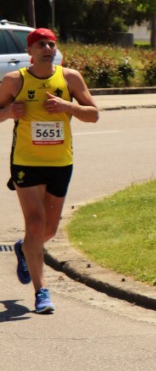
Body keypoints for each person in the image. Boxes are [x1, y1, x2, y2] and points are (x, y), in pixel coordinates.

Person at [0, 28, 99, 315]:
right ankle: (41, 291)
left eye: (52, 44)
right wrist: (8, 114)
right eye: (41, 44)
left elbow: (94, 114)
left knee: (48, 230)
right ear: (29, 52)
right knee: (34, 223)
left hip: (60, 162)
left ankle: (24, 248)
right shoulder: (14, 81)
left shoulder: (69, 78)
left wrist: (67, 105)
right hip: (26, 161)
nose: (47, 48)